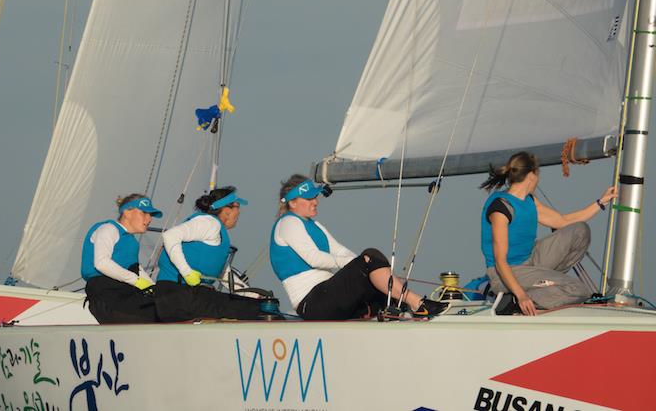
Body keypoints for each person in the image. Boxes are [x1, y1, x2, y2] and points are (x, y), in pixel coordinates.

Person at [270, 174, 446, 320]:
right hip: (312, 303)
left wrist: (369, 267)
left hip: (327, 296)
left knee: (371, 265)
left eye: (315, 196)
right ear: (292, 202)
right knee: (370, 257)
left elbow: (340, 251)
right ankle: (416, 304)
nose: (315, 201)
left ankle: (403, 308)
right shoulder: (288, 223)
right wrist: (363, 263)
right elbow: (313, 258)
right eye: (309, 198)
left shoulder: (315, 226)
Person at [480, 151, 617, 315]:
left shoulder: (529, 200)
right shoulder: (501, 208)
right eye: (538, 175)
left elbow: (562, 222)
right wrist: (521, 295)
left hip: (531, 261)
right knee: (578, 290)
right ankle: (513, 300)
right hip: (505, 273)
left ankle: (548, 285)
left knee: (580, 231)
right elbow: (500, 261)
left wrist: (601, 202)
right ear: (531, 175)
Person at [155, 186, 267, 321]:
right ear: (226, 210)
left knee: (250, 305)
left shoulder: (216, 231)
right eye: (237, 206)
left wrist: (253, 295)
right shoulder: (209, 223)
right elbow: (170, 235)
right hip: (178, 294)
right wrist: (187, 272)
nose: (240, 212)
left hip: (184, 295)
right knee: (255, 310)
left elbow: (224, 272)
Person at [80, 193, 162, 323]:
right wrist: (136, 281)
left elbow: (135, 269)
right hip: (105, 290)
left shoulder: (131, 241)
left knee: (162, 310)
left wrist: (156, 290)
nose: (149, 219)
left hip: (124, 290)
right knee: (147, 317)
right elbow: (101, 263)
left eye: (150, 215)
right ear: (127, 212)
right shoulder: (109, 229)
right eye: (144, 213)